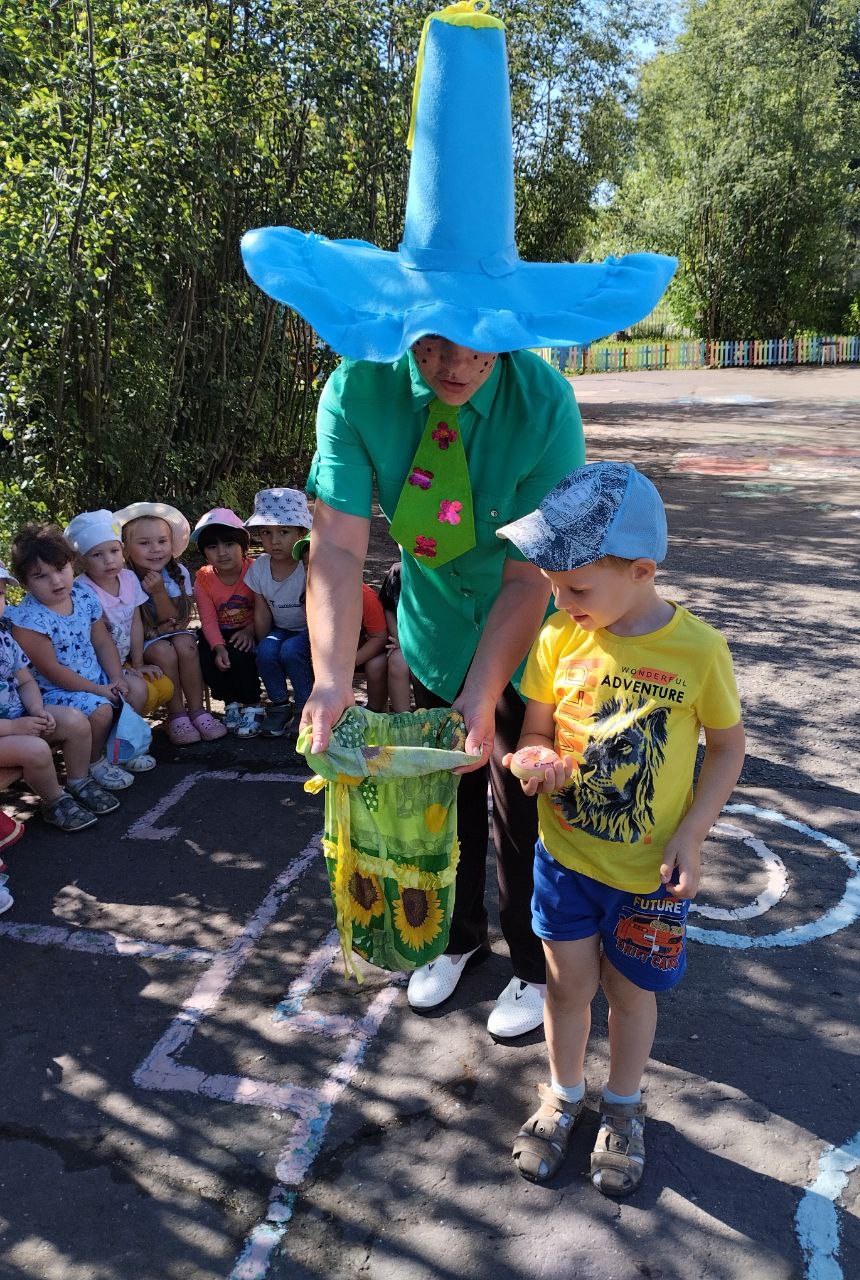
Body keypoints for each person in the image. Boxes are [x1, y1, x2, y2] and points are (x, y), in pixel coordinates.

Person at [240, 5, 676, 1036]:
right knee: (442, 786)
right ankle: (453, 936)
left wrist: (491, 688)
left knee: (523, 795)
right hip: (435, 613)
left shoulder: (542, 403)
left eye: (480, 339)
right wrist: (333, 676)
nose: (455, 361)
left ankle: (528, 958)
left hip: (536, 623)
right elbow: (338, 546)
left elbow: (532, 572)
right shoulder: (359, 390)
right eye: (434, 338)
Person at [497, 463, 745, 1196]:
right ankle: (564, 1093)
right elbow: (536, 730)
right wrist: (532, 759)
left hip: (648, 877)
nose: (559, 600)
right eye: (552, 584)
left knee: (631, 995)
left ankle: (625, 1105)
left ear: (641, 571)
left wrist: (693, 834)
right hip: (564, 859)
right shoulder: (557, 638)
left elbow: (727, 748)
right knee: (566, 987)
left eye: (576, 587)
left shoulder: (697, 651)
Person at [6, 526, 136, 816]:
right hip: (53, 692)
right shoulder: (28, 619)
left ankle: (114, 753)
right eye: (41, 576)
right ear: (25, 583)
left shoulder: (83, 596)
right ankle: (89, 767)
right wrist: (99, 689)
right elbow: (52, 671)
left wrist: (116, 676)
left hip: (92, 678)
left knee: (134, 689)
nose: (56, 581)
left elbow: (101, 641)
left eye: (60, 569)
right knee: (101, 710)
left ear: (71, 564)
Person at [67, 508, 174, 771]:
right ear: (81, 561)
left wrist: (137, 664)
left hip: (123, 662)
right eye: (97, 554)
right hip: (96, 668)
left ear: (122, 551)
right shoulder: (81, 590)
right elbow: (95, 641)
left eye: (114, 551)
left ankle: (125, 741)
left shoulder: (128, 579)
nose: (109, 560)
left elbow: (135, 622)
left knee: (161, 685)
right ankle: (119, 750)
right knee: (137, 691)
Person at [0, 555, 99, 834]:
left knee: (75, 721)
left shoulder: (3, 638)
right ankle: (54, 801)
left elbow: (25, 681)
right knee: (35, 749)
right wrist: (14, 728)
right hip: (6, 731)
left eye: (0, 594)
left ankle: (79, 781)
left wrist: (37, 710)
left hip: (19, 718)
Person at [116, 501, 226, 744]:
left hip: (169, 634)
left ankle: (197, 712)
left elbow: (178, 621)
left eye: (162, 541)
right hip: (140, 644)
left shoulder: (177, 572)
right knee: (164, 651)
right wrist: (157, 629)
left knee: (186, 645)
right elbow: (132, 626)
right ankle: (176, 716)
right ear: (126, 550)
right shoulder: (123, 578)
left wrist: (158, 592)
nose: (155, 549)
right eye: (144, 543)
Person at [244, 488, 312, 737]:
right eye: (266, 532)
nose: (274, 541)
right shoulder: (260, 567)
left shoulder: (307, 564)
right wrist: (265, 648)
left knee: (291, 650)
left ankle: (305, 706)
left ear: (301, 533)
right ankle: (279, 704)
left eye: (284, 532)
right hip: (281, 628)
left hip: (309, 629)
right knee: (266, 650)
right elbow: (262, 611)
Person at [192, 508, 262, 736]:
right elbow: (208, 620)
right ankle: (231, 702)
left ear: (243, 546)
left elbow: (265, 609)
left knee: (241, 654)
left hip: (253, 627)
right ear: (204, 552)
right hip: (218, 631)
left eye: (230, 544)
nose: (222, 552)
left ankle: (253, 704)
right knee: (206, 655)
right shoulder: (203, 579)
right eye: (213, 547)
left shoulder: (256, 570)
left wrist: (251, 630)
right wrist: (218, 647)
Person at [367, 561, 412, 713]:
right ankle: (403, 718)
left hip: (430, 644)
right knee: (387, 662)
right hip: (401, 641)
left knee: (399, 661)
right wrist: (400, 638)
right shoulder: (397, 571)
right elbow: (388, 608)